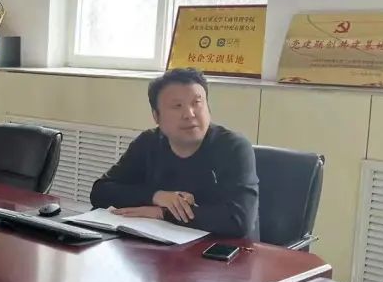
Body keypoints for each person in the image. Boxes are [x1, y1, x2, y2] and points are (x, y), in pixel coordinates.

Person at [90, 67, 259, 239]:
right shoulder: (148, 143)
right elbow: (100, 192)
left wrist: (162, 213)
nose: (189, 114)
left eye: (197, 103)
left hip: (222, 250)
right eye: (177, 106)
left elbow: (239, 220)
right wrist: (156, 196)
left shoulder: (233, 147)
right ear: (156, 116)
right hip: (159, 245)